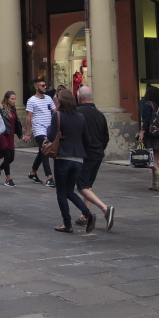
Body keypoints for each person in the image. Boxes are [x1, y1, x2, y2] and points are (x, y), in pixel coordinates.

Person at [46, 89, 96, 234]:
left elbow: (50, 136)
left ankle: (67, 224)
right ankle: (87, 213)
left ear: (60, 101)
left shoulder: (57, 115)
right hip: (78, 158)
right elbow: (88, 139)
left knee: (61, 192)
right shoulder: (80, 116)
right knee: (70, 190)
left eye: (56, 98)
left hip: (63, 157)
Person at [75, 86, 114, 230]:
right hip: (98, 153)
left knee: (81, 186)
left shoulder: (78, 113)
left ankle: (105, 208)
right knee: (88, 184)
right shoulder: (99, 114)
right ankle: (85, 215)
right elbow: (106, 137)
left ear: (79, 97)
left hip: (86, 154)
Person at [22, 78, 57, 187]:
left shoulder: (48, 99)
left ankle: (33, 172)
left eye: (45, 85)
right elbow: (28, 117)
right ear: (36, 87)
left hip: (49, 129)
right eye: (42, 85)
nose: (45, 87)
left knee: (42, 152)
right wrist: (27, 133)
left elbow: (55, 112)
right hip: (39, 130)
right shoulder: (32, 100)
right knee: (45, 151)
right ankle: (49, 177)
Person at [140, 85, 159, 191]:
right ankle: (154, 183)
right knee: (155, 158)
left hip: (150, 134)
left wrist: (142, 132)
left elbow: (146, 120)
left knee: (150, 158)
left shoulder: (147, 104)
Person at [0, 90, 20, 187]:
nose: (14, 101)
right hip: (3, 134)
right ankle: (8, 178)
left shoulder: (13, 110)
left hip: (11, 135)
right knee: (7, 156)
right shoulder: (0, 110)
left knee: (11, 157)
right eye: (12, 99)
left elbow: (16, 123)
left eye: (15, 99)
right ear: (7, 99)